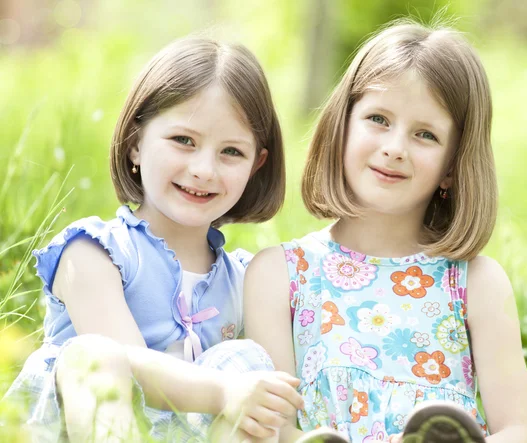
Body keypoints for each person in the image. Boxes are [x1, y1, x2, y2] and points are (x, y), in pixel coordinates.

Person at [244, 20, 527, 442]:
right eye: (378, 119)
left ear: (453, 167)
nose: (395, 147)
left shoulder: (476, 284)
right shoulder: (279, 274)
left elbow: (519, 431)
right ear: (341, 127)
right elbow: (276, 429)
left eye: (425, 134)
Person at [2, 35, 304, 442]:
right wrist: (223, 393)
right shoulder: (92, 252)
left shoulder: (247, 279)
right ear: (135, 144)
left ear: (256, 166)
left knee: (248, 361)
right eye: (184, 140)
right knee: (94, 356)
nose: (204, 169)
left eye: (231, 151)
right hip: (94, 428)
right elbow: (130, 367)